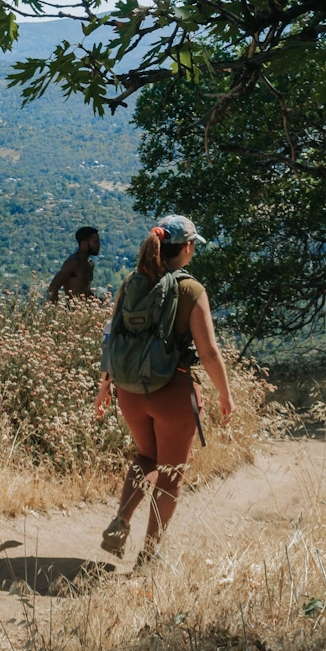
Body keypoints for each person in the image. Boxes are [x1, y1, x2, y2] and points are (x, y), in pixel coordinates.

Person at [94, 215, 235, 569]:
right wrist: (225, 394)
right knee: (171, 473)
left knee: (145, 456)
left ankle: (121, 520)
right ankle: (150, 554)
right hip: (173, 390)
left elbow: (112, 336)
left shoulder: (131, 282)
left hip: (129, 390)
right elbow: (209, 352)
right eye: (192, 246)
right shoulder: (191, 290)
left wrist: (105, 385)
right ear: (186, 247)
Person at [48, 225, 100, 302]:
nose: (99, 245)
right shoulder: (73, 263)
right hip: (72, 309)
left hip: (83, 309)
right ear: (84, 244)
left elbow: (86, 292)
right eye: (95, 242)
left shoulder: (90, 264)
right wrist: (56, 310)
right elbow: (53, 288)